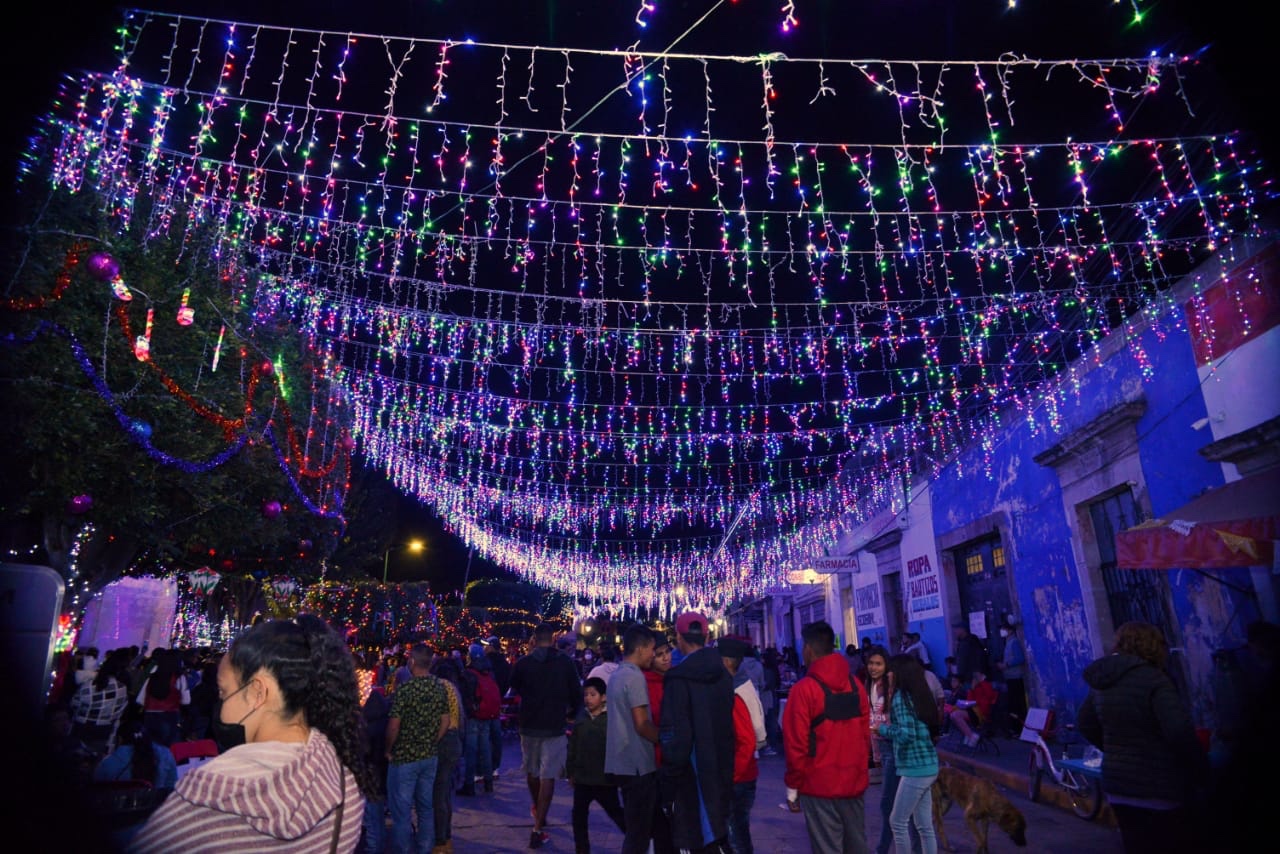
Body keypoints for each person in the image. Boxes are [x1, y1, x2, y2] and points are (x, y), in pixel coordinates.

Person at [131, 614, 371, 853]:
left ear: (258, 692)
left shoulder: (210, 796)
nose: (220, 704)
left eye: (224, 692)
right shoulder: (344, 781)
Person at [1076, 621, 1207, 853]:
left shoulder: (1104, 681)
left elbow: (1085, 723)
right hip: (1159, 785)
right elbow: (1178, 732)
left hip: (1118, 786)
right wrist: (1199, 768)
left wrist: (1116, 749)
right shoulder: (1155, 679)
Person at [783, 620, 872, 854]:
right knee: (857, 845)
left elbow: (796, 745)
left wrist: (793, 787)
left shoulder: (804, 690)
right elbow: (865, 735)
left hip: (819, 783)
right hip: (853, 782)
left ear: (809, 650)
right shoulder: (856, 685)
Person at [659, 611, 735, 853]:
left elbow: (675, 734)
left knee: (694, 837)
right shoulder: (723, 674)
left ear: (679, 638)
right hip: (720, 762)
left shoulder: (677, 678)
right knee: (716, 830)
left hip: (691, 772)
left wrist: (668, 778)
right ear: (707, 636)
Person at [510, 621, 584, 849]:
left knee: (532, 772)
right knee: (548, 776)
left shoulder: (523, 663)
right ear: (553, 639)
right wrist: (572, 712)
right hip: (554, 725)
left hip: (529, 724)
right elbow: (576, 693)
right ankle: (538, 827)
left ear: (534, 638)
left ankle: (537, 811)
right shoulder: (565, 662)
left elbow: (514, 689)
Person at [385, 644, 451, 854]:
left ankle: (403, 850)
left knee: (401, 811)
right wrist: (432, 740)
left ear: (412, 662)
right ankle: (424, 848)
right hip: (429, 755)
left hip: (405, 756)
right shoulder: (439, 687)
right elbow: (446, 720)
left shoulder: (405, 689)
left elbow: (394, 725)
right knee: (425, 808)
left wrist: (388, 748)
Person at [605, 624, 664, 854]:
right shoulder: (635, 677)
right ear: (640, 648)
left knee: (638, 830)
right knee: (638, 835)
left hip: (622, 763)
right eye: (651, 649)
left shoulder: (618, 675)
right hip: (638, 764)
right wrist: (666, 739)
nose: (653, 654)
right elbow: (642, 724)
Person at [877, 654, 940, 854]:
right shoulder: (919, 694)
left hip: (915, 767)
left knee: (897, 821)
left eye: (890, 671)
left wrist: (882, 729)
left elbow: (906, 734)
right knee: (924, 825)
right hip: (928, 764)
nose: (888, 675)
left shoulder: (900, 698)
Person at [568, 676, 627, 854]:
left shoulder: (610, 720)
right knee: (579, 816)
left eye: (592, 694)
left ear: (603, 697)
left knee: (616, 813)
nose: (588, 698)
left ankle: (640, 841)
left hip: (604, 779)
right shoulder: (581, 720)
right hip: (583, 779)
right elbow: (573, 747)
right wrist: (571, 772)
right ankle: (582, 849)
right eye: (586, 694)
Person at [719, 636, 765, 854]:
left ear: (726, 662)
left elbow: (746, 741)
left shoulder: (735, 692)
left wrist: (731, 776)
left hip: (738, 776)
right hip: (743, 774)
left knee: (736, 835)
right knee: (738, 832)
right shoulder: (743, 685)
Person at [429, 656, 466, 854]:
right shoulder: (454, 690)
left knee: (438, 795)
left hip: (441, 741)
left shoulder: (436, 687)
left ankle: (440, 840)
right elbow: (461, 721)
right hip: (454, 743)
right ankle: (447, 837)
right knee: (445, 794)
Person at [71, 647, 131, 756]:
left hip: (80, 729)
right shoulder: (121, 689)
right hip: (103, 733)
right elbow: (117, 715)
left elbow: (74, 705)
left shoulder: (88, 685)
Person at [94, 714, 178, 788]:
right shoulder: (166, 754)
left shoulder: (107, 763)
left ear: (119, 739)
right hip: (158, 804)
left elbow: (97, 790)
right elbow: (171, 787)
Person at [459, 647, 499, 796]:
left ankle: (469, 784)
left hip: (473, 716)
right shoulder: (488, 672)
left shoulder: (468, 674)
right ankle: (488, 782)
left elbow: (465, 696)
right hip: (487, 715)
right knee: (485, 748)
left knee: (471, 751)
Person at [136, 648, 191, 747]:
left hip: (150, 715)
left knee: (150, 746)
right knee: (166, 747)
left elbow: (140, 699)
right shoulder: (179, 677)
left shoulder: (152, 677)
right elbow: (186, 701)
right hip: (169, 715)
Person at [358, 683, 390, 854]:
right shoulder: (386, 724)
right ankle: (380, 844)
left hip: (370, 775)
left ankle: (373, 848)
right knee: (377, 816)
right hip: (382, 775)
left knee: (371, 816)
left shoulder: (366, 727)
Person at [948, 668, 997, 747]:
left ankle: (972, 736)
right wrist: (972, 689)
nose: (975, 678)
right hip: (973, 710)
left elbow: (989, 696)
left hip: (980, 713)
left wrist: (982, 683)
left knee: (956, 715)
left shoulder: (986, 685)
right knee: (952, 715)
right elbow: (969, 700)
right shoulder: (974, 687)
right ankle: (968, 734)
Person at [993, 621, 1027, 736]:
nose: (1002, 631)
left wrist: (1005, 665)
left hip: (1015, 678)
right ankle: (1015, 728)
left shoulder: (1014, 642)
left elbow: (1020, 658)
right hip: (1009, 677)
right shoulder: (1008, 642)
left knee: (1017, 704)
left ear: (1010, 630)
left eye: (1004, 628)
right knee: (1012, 704)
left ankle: (1019, 729)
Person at [485, 636, 512, 776]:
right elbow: (508, 681)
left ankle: (484, 768)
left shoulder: (485, 662)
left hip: (485, 704)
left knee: (485, 737)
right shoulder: (503, 663)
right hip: (497, 701)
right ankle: (494, 766)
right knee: (495, 736)